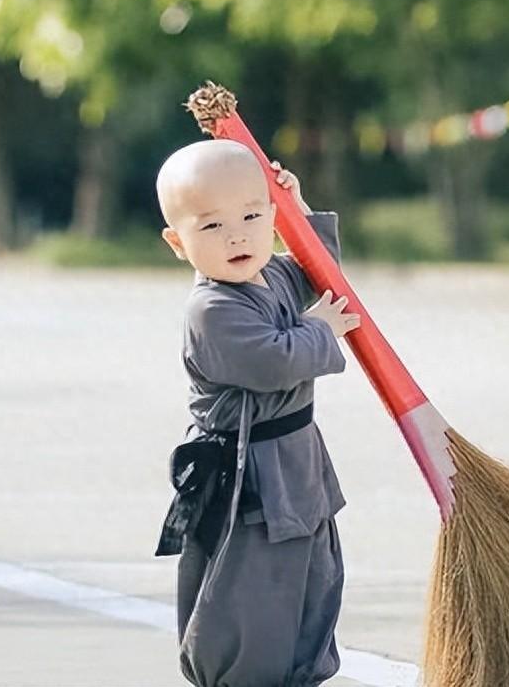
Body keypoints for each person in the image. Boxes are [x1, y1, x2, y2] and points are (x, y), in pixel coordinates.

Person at [154, 137, 360, 687]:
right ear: (178, 242)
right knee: (251, 596)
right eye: (212, 226)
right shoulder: (212, 308)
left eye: (252, 214)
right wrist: (320, 328)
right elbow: (272, 362)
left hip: (297, 462)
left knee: (312, 582)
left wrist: (302, 209)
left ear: (271, 215)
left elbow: (322, 275)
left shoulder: (273, 275)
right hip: (248, 476)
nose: (238, 235)